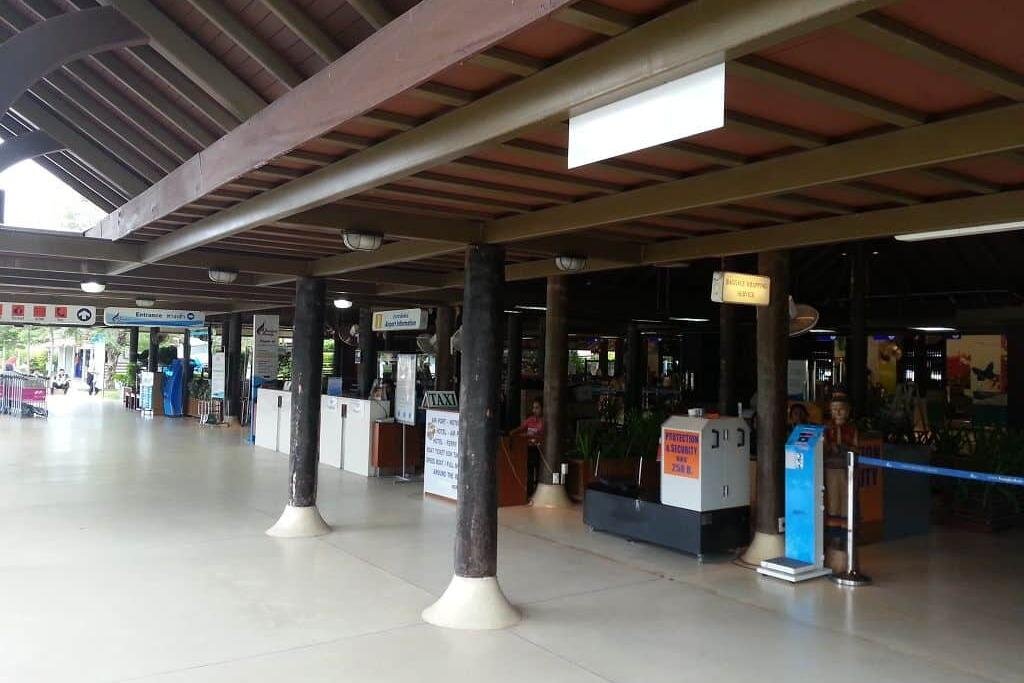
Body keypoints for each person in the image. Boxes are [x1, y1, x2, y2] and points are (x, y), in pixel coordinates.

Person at [510, 398, 545, 495]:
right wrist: (512, 433)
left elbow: (541, 435)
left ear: (542, 409)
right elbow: (521, 428)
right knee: (528, 471)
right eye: (533, 408)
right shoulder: (530, 420)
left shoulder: (544, 422)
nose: (534, 410)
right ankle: (529, 492)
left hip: (539, 451)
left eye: (537, 408)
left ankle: (538, 492)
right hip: (528, 450)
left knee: (538, 472)